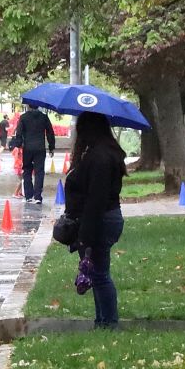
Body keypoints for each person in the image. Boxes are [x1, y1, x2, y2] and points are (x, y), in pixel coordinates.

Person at [64, 111, 126, 329]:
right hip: (102, 218)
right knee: (96, 273)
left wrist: (85, 236)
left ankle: (108, 322)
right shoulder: (102, 153)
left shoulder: (99, 157)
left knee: (99, 275)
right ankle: (102, 321)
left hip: (99, 220)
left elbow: (96, 199)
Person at [15, 105, 55, 204]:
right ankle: (38, 196)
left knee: (27, 170)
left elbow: (19, 132)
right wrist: (51, 147)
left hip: (27, 148)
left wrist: (18, 144)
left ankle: (28, 195)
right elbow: (50, 132)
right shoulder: (44, 117)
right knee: (39, 172)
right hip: (40, 148)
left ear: (28, 106)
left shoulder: (23, 117)